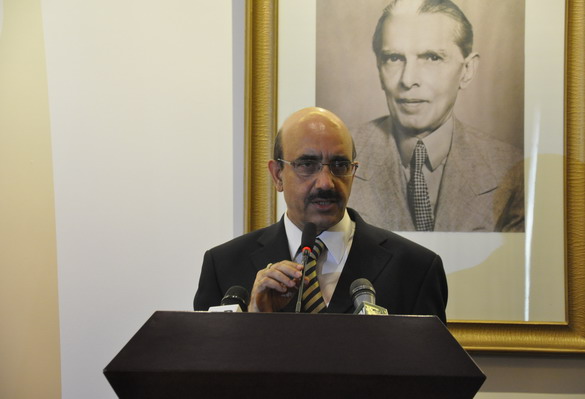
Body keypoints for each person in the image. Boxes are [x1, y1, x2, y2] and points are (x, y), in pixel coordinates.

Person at [194, 107, 447, 322]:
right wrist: (254, 318)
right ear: (277, 175)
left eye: (339, 165)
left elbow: (433, 376)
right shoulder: (224, 266)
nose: (326, 183)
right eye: (306, 165)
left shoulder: (416, 268)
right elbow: (207, 373)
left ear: (353, 172)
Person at [347, 0, 524, 232]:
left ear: (467, 71)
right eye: (394, 58)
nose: (408, 80)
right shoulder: (334, 160)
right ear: (379, 69)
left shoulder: (513, 169)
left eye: (431, 57)